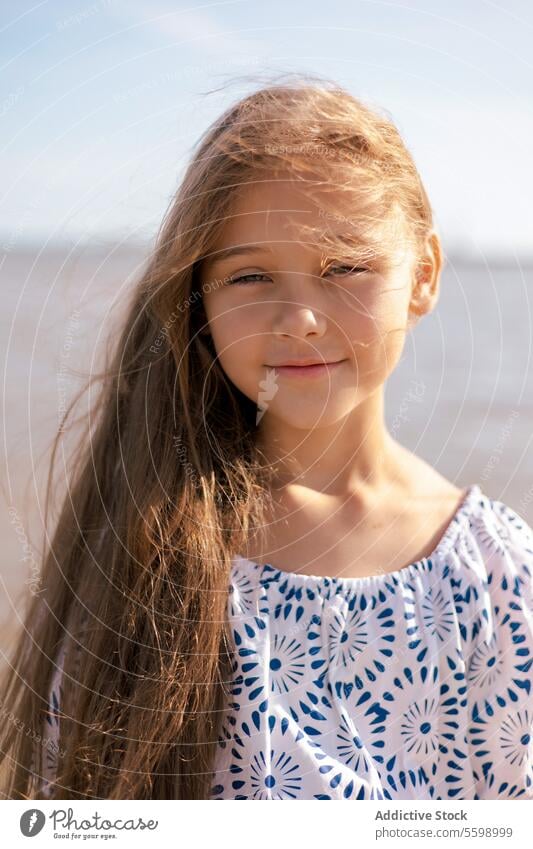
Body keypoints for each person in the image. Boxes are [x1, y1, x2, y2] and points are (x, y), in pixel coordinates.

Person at [2, 75, 532, 801]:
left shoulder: (494, 577)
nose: (301, 319)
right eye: (249, 275)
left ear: (423, 274)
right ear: (200, 298)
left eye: (343, 266)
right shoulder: (150, 539)